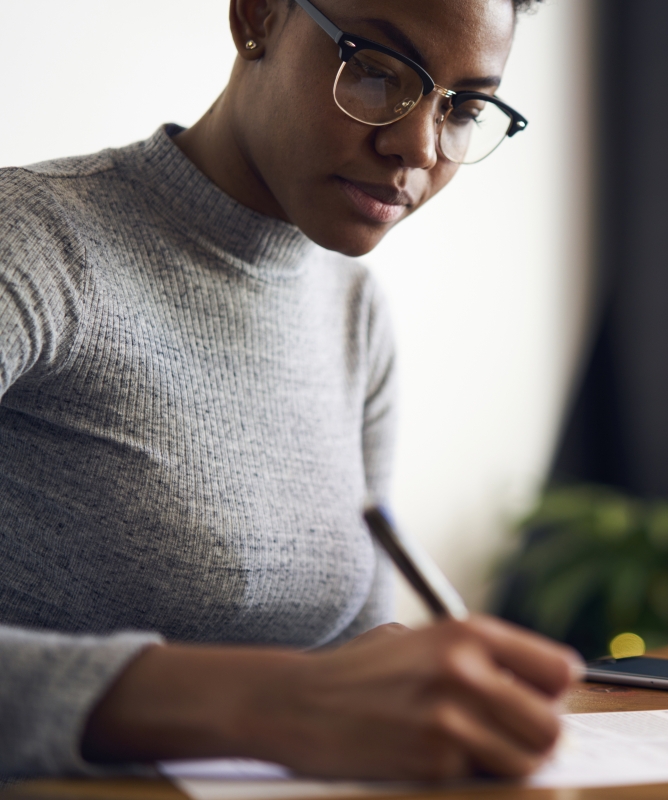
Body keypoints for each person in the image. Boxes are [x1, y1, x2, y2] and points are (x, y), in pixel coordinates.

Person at [0, 0, 581, 782]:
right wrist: (262, 702)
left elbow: (354, 645)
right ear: (259, 17)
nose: (416, 145)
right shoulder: (29, 243)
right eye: (377, 70)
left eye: (464, 107)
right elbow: (300, 695)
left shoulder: (354, 312)